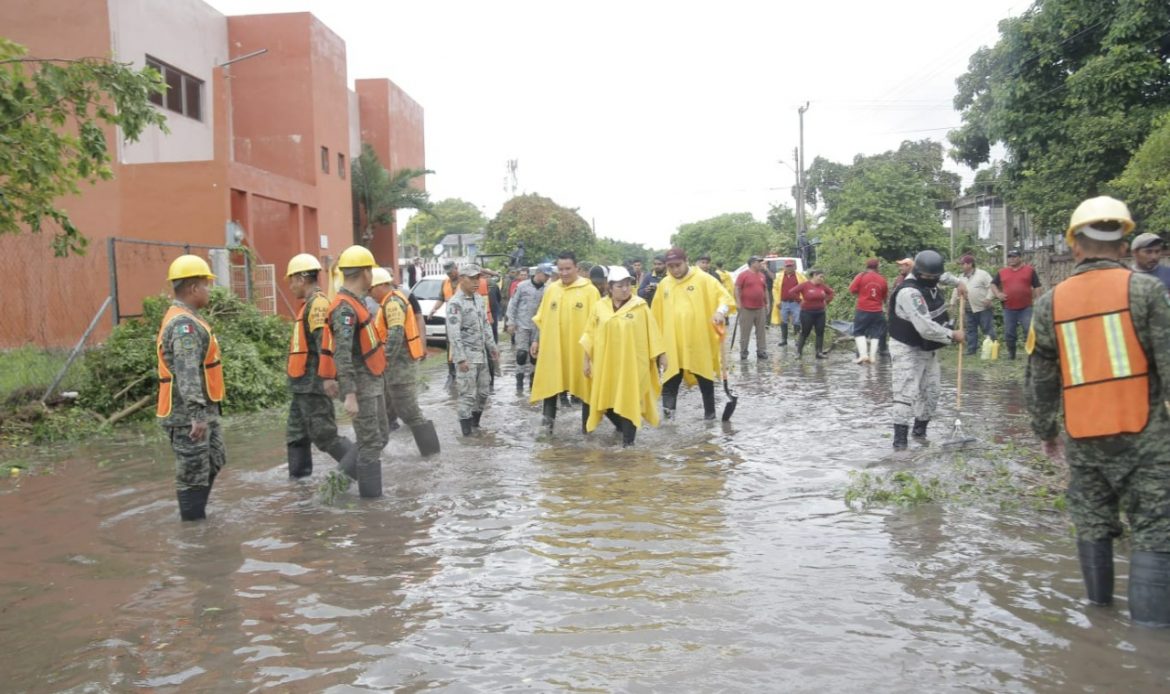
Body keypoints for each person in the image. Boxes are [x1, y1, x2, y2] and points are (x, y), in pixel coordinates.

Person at [1026, 196, 1170, 626]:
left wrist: (1045, 428)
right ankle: (1149, 644)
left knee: (1091, 522)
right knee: (1154, 528)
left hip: (1084, 437)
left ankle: (1099, 622)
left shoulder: (1051, 302)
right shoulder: (1147, 290)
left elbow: (1040, 376)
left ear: (1074, 246)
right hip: (1145, 434)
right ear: (1125, 245)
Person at [156, 255, 226, 521]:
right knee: (192, 475)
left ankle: (198, 517)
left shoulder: (190, 319)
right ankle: (193, 532)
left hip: (203, 411)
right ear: (193, 288)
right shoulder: (183, 325)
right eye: (206, 285)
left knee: (216, 457)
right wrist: (197, 415)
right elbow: (186, 371)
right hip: (187, 416)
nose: (209, 290)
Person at [318, 245, 387, 498]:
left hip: (372, 381)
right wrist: (349, 394)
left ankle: (334, 489)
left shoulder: (356, 302)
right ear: (365, 273)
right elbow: (342, 352)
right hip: (361, 386)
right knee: (370, 444)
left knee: (379, 437)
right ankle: (361, 502)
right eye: (371, 271)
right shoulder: (345, 308)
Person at [285, 253, 355, 479]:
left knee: (325, 435)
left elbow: (324, 344)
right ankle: (300, 487)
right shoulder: (309, 305)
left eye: (291, 279)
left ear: (301, 278)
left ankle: (366, 470)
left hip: (314, 386)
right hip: (302, 388)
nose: (290, 285)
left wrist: (329, 378)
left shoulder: (317, 305)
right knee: (296, 435)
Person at [581, 266, 667, 446]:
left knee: (629, 399)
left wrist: (662, 356)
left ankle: (629, 446)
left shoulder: (640, 306)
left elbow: (653, 332)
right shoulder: (599, 307)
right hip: (607, 363)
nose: (625, 289)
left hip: (632, 364)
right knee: (606, 400)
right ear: (610, 288)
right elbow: (589, 334)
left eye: (628, 284)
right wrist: (586, 360)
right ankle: (620, 428)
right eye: (620, 286)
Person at [887, 250, 966, 449]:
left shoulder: (935, 277)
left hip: (928, 349)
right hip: (906, 348)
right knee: (906, 394)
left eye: (934, 277)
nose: (932, 280)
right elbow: (925, 328)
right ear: (918, 272)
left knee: (932, 392)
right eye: (928, 277)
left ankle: (920, 435)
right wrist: (953, 335)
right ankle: (900, 445)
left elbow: (945, 276)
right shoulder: (909, 292)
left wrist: (959, 283)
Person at [652, 247, 731, 420]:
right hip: (672, 345)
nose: (674, 270)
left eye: (678, 265)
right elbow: (655, 318)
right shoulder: (664, 284)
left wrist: (720, 312)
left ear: (686, 261)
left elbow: (725, 298)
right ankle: (668, 422)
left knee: (705, 381)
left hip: (698, 341)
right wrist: (657, 349)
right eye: (670, 266)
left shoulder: (704, 279)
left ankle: (710, 419)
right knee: (670, 383)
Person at [370, 267, 439, 457]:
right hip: (395, 367)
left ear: (383, 285)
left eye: (371, 289)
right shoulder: (389, 301)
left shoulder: (392, 303)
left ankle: (432, 455)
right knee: (392, 410)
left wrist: (381, 360)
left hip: (399, 367)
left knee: (410, 412)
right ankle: (383, 451)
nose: (370, 294)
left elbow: (395, 334)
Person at [531, 252, 601, 432]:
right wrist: (536, 341)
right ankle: (547, 430)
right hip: (554, 348)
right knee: (551, 385)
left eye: (568, 269)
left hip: (580, 350)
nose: (564, 273)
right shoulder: (552, 289)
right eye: (560, 269)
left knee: (586, 388)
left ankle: (588, 431)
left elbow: (597, 324)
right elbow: (542, 318)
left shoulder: (590, 290)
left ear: (577, 268)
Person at [447, 264, 498, 436]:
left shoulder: (477, 298)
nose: (477, 282)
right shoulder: (455, 303)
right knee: (467, 395)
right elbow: (453, 333)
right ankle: (467, 434)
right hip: (466, 356)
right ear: (462, 279)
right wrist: (460, 359)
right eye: (472, 278)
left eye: (478, 278)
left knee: (483, 392)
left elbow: (485, 324)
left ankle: (476, 426)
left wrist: (492, 347)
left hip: (481, 354)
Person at [506, 263, 550, 393]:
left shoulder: (548, 290)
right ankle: (519, 383)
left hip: (538, 327)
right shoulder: (522, 286)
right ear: (538, 273)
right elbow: (513, 304)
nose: (547, 278)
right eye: (545, 275)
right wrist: (511, 322)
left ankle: (533, 381)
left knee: (534, 355)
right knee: (521, 353)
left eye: (549, 275)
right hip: (522, 325)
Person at [991, 250, 1042, 360]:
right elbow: (993, 284)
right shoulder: (1002, 272)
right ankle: (1011, 354)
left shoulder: (1029, 270)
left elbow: (1037, 286)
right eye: (1009, 257)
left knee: (1028, 330)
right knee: (1009, 333)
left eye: (1014, 256)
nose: (1011, 259)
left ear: (1020, 258)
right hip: (1008, 308)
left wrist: (1038, 300)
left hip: (1026, 307)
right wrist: (998, 294)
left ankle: (1031, 354)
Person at [849, 258, 889, 364]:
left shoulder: (861, 276)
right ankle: (872, 357)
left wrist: (861, 292)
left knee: (858, 331)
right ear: (878, 266)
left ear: (866, 266)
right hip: (878, 311)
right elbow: (885, 297)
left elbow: (852, 290)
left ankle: (863, 355)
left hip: (863, 309)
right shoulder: (882, 279)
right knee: (876, 334)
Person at [955, 254, 997, 354]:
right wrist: (953, 301)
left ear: (970, 264)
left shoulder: (982, 274)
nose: (961, 266)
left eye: (963, 264)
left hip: (983, 307)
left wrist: (988, 298)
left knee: (987, 328)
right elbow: (956, 290)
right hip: (969, 308)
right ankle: (971, 349)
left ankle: (993, 350)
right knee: (971, 330)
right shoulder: (961, 277)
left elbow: (992, 286)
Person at [789, 270, 835, 359]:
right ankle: (799, 353)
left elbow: (831, 293)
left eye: (823, 277)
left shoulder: (822, 286)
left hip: (820, 313)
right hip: (807, 312)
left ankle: (819, 352)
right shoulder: (805, 285)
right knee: (805, 332)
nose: (822, 279)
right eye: (820, 277)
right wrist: (800, 300)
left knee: (820, 332)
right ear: (814, 275)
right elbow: (792, 292)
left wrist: (827, 301)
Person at [428, 260, 461, 386]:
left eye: (451, 272)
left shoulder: (465, 281)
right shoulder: (445, 283)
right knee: (450, 345)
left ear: (456, 268)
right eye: (447, 273)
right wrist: (433, 310)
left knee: (464, 343)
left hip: (464, 319)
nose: (449, 275)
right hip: (451, 320)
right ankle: (452, 373)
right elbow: (441, 298)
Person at [734, 255, 769, 360]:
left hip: (760, 307)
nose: (761, 264)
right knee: (745, 331)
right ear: (753, 263)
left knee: (761, 330)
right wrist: (738, 303)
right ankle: (744, 351)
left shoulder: (762, 275)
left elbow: (765, 289)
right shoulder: (743, 275)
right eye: (759, 262)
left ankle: (761, 351)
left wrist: (768, 303)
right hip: (746, 308)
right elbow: (737, 289)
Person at [771, 259, 806, 347]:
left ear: (794, 266)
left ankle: (797, 340)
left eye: (791, 266)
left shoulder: (800, 276)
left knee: (797, 321)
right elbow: (775, 289)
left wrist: (803, 300)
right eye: (787, 266)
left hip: (796, 303)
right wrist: (777, 301)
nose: (789, 268)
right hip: (783, 303)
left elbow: (806, 287)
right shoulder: (779, 276)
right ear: (784, 267)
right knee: (783, 321)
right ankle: (784, 340)